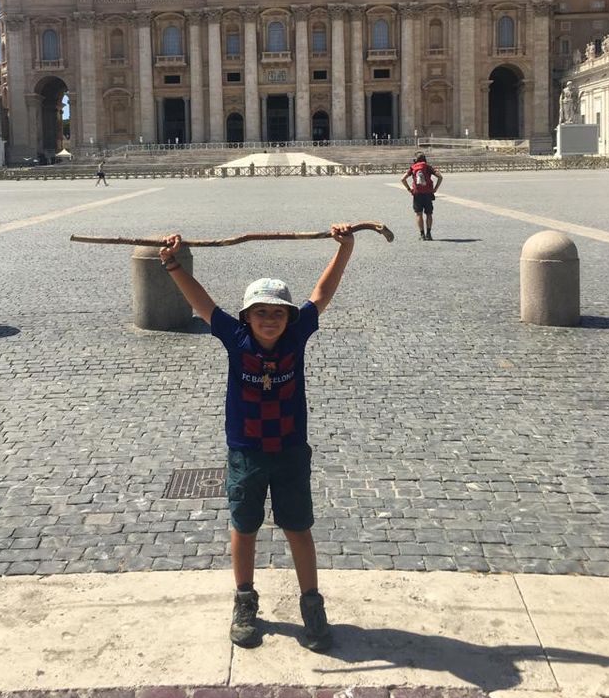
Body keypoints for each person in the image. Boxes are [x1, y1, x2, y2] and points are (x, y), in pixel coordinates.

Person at [159, 223, 355, 651]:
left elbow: (322, 294)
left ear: (290, 318)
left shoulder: (298, 335)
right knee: (243, 527)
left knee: (298, 528)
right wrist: (173, 264)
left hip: (289, 452)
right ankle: (244, 600)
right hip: (246, 452)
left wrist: (345, 249)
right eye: (261, 313)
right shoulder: (236, 337)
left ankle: (311, 603)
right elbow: (202, 303)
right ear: (246, 317)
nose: (270, 320)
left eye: (278, 313)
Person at [401, 153, 443, 241]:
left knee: (418, 214)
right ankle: (429, 234)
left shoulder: (413, 167)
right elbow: (440, 177)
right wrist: (435, 189)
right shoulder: (428, 167)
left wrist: (409, 189)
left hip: (417, 193)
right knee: (429, 214)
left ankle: (422, 235)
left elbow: (402, 179)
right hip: (428, 193)